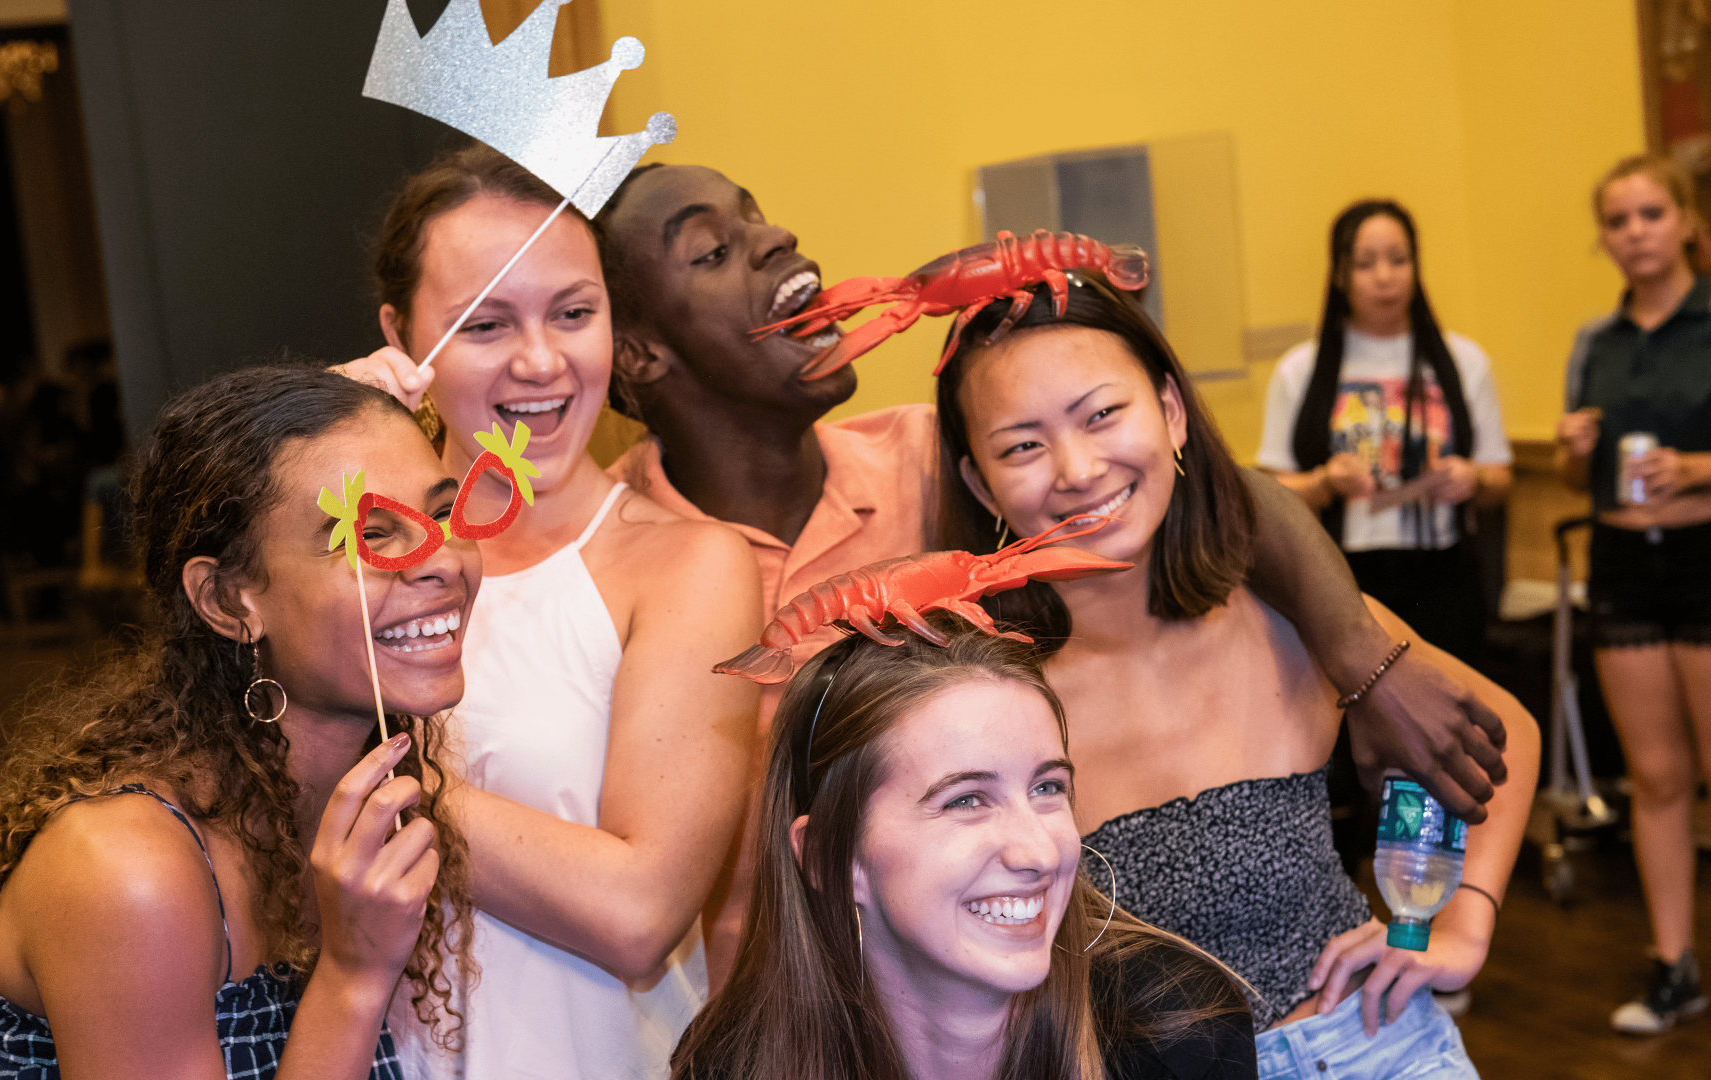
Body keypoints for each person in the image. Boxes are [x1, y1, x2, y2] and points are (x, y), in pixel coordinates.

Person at [551, 163, 1508, 986]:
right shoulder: (614, 557)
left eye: (756, 211)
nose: (774, 237)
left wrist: (1363, 656)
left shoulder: (932, 453)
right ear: (635, 350)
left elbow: (1214, 494)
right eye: (712, 250)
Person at [934, 274, 1537, 1078]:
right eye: (1022, 445)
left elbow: (1507, 730)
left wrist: (1462, 919)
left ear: (1172, 413)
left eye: (1103, 414)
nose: (1077, 468)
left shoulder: (1288, 623)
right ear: (980, 483)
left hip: (1377, 1046)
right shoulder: (991, 700)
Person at [344, 144, 762, 1079]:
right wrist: (319, 476)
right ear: (402, 338)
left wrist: (358, 776)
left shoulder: (688, 567)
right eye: (485, 325)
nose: (542, 361)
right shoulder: (348, 561)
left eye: (574, 314)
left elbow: (638, 916)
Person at [0, 365, 467, 1075]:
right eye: (367, 533)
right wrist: (354, 978)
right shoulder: (128, 869)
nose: (442, 561)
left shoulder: (364, 795)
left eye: (446, 513)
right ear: (226, 602)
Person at [680, 618, 1255, 1080]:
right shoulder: (731, 1063)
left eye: (1047, 788)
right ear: (831, 858)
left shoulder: (1176, 1032)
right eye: (966, 801)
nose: (1039, 853)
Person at [1555, 152, 1711, 1034]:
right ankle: (1672, 967)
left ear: (1686, 220)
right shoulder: (1596, 342)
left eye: (1652, 214)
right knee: (1655, 778)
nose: (1635, 233)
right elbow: (1590, 478)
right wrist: (1578, 451)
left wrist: (1695, 467)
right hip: (1623, 566)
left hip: (1704, 559)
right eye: (1618, 221)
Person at [1258, 201, 1512, 664]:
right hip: (1339, 577)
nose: (1384, 276)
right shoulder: (1300, 370)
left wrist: (1472, 479)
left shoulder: (1464, 361)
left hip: (1443, 571)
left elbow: (1499, 479)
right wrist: (1323, 482)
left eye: (1399, 259)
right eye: (1365, 263)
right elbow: (1270, 495)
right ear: (1339, 274)